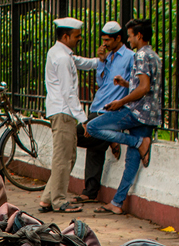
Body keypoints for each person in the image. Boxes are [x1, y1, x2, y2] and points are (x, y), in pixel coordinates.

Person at [87, 18, 161, 215]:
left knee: (93, 127)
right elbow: (147, 86)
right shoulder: (154, 55)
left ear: (139, 35)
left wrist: (121, 102)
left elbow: (144, 88)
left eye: (130, 36)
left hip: (137, 111)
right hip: (150, 114)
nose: (129, 40)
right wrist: (126, 84)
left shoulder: (140, 55)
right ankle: (117, 203)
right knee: (132, 161)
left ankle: (137, 141)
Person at [41, 16, 98, 213]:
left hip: (60, 110)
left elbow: (81, 62)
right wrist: (83, 119)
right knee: (63, 158)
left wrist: (100, 61)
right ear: (66, 36)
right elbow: (69, 92)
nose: (78, 40)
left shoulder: (59, 52)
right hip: (64, 112)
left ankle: (48, 198)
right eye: (76, 37)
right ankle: (58, 200)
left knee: (66, 156)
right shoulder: (63, 58)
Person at [79, 20, 132, 203]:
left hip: (111, 109)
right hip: (97, 105)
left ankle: (90, 191)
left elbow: (136, 85)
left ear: (119, 38)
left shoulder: (130, 57)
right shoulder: (107, 57)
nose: (105, 44)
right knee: (94, 145)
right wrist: (101, 61)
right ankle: (90, 191)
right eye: (103, 40)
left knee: (80, 134)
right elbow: (101, 83)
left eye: (108, 40)